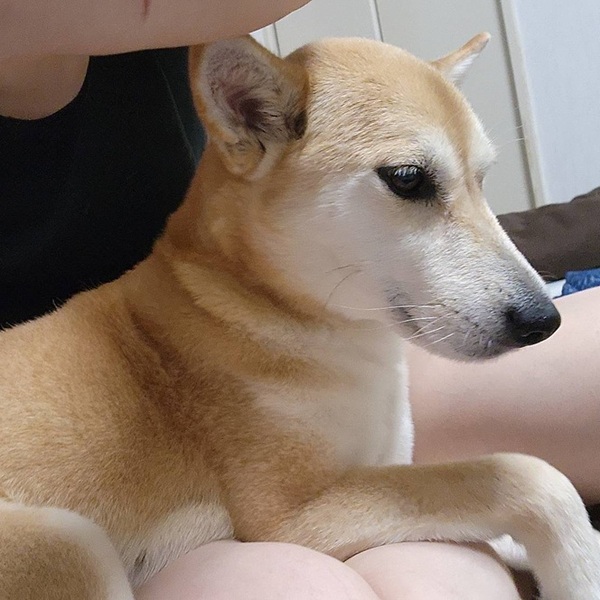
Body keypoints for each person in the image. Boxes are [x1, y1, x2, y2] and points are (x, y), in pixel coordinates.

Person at [2, 2, 598, 598]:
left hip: (316, 322)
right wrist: (525, 497)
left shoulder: (174, 34)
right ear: (251, 116)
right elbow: (293, 515)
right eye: (410, 181)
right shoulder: (187, 340)